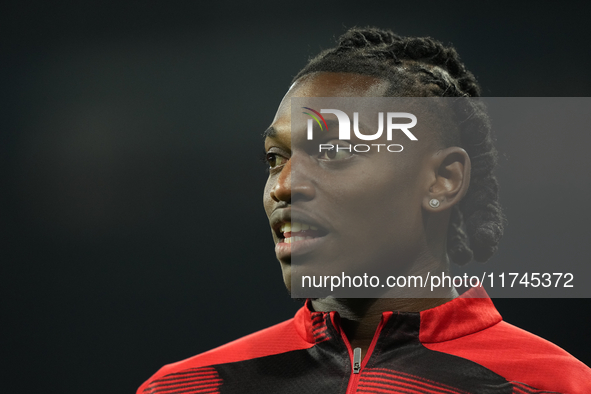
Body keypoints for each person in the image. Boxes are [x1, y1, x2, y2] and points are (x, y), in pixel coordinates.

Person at [137, 27, 591, 394]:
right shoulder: (190, 386)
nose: (285, 186)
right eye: (276, 159)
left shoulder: (553, 385)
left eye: (332, 152)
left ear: (443, 180)